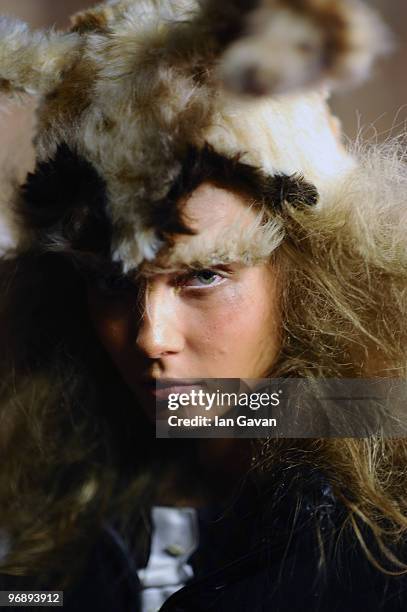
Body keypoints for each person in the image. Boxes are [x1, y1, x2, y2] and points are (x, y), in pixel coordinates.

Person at [0, 0, 406, 610]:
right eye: (111, 283)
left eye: (204, 277)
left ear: (314, 273)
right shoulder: (61, 442)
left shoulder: (374, 492)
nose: (148, 337)